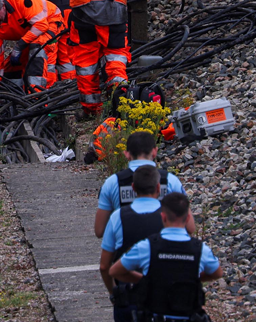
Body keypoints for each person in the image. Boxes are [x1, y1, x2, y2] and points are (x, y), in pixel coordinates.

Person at [99, 166, 195, 322]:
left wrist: (114, 293)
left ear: (133, 188)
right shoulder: (171, 216)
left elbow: (104, 266)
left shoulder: (118, 217)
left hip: (130, 298)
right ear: (158, 187)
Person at [110, 193, 223, 322]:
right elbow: (217, 273)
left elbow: (115, 271)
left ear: (163, 217)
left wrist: (144, 281)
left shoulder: (148, 246)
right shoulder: (200, 249)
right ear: (188, 218)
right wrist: (194, 279)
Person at [95, 131, 186, 238]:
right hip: (162, 250)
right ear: (154, 152)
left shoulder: (112, 182)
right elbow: (188, 226)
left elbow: (99, 230)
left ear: (127, 154)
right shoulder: (171, 180)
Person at [0, 0, 65, 91]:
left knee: (37, 50)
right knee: (11, 66)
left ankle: (38, 94)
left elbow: (41, 25)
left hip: (51, 22)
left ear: (3, 6)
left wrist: (19, 46)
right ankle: (16, 91)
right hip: (30, 34)